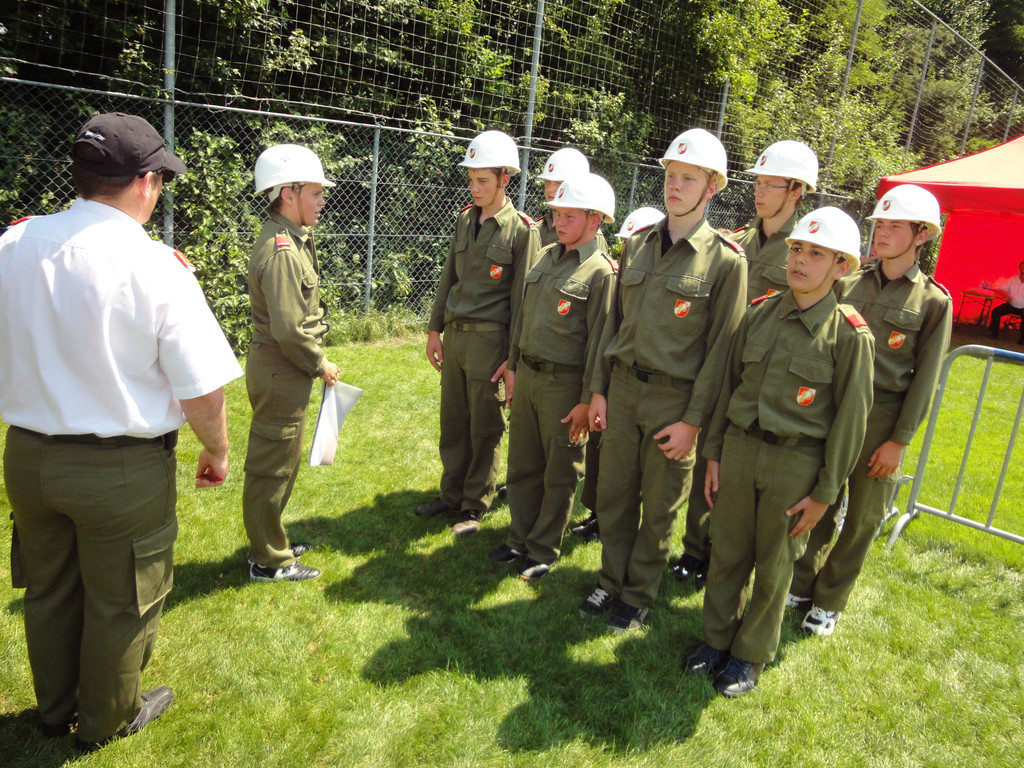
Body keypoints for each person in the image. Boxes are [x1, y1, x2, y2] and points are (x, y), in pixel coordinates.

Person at [0, 112, 242, 749]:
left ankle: (54, 710)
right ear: (144, 182)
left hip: (28, 457)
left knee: (49, 588)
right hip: (120, 468)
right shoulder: (156, 266)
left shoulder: (14, 244)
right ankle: (106, 720)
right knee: (123, 600)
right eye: (160, 179)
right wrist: (217, 449)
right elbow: (202, 387)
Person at [684, 207, 874, 697]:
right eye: (797, 249)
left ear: (842, 267)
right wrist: (714, 453)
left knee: (774, 565)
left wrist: (825, 493)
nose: (801, 260)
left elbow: (850, 423)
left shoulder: (849, 335)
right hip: (740, 449)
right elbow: (729, 389)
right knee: (727, 552)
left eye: (817, 254)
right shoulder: (759, 313)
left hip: (796, 463)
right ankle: (715, 640)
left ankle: (749, 655)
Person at [579, 128, 747, 633]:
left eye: (688, 178)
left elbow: (721, 353)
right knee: (613, 496)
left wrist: (693, 423)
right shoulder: (637, 244)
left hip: (674, 402)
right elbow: (612, 325)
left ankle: (638, 595)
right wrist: (599, 390)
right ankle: (610, 581)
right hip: (623, 389)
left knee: (659, 507)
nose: (674, 186)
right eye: (671, 175)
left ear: (711, 187)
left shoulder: (726, 261)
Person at [789, 184, 952, 635]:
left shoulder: (932, 302)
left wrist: (899, 440)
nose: (881, 232)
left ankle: (829, 601)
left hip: (882, 419)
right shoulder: (847, 283)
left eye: (894, 226)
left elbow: (925, 379)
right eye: (879, 224)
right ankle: (800, 583)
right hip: (832, 411)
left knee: (862, 517)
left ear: (921, 235)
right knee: (819, 500)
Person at [671, 140, 818, 589]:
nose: (759, 191)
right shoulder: (735, 242)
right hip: (720, 363)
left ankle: (731, 554)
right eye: (758, 182)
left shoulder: (805, 251)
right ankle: (696, 548)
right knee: (707, 457)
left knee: (739, 468)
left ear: (796, 191)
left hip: (764, 375)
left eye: (771, 184)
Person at [490, 173, 619, 580]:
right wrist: (513, 367)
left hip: (564, 387)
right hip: (528, 376)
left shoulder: (601, 273)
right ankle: (519, 538)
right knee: (522, 464)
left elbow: (599, 343)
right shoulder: (545, 256)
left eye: (569, 215)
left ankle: (543, 548)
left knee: (559, 471)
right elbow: (523, 319)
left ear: (595, 220)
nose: (559, 222)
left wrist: (587, 399)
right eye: (556, 214)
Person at [418, 130, 540, 535]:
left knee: (485, 426)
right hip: (456, 338)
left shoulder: (522, 231)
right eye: (471, 179)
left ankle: (474, 504)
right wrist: (435, 329)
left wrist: (512, 360)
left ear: (505, 179)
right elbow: (448, 279)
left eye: (482, 180)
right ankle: (451, 493)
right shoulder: (464, 219)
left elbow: (522, 302)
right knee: (453, 422)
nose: (474, 188)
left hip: (491, 343)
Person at [243, 144, 340, 582]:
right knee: (271, 468)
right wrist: (321, 363)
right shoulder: (283, 250)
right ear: (288, 193)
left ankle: (272, 541)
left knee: (282, 462)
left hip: (284, 369)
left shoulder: (291, 239)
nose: (322, 201)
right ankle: (269, 561)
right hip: (282, 369)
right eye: (315, 193)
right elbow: (288, 329)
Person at [570, 205, 665, 543]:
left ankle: (616, 523)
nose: (627, 249)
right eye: (623, 243)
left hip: (637, 386)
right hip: (611, 378)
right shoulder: (618, 276)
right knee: (601, 455)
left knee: (627, 465)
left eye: (631, 242)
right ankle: (598, 514)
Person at [986, 259, 1024, 344]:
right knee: (996, 311)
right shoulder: (1013, 279)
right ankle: (993, 333)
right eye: (1021, 268)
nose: (1023, 271)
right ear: (1019, 269)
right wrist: (1006, 295)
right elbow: (1001, 289)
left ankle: (1021, 340)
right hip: (1011, 305)